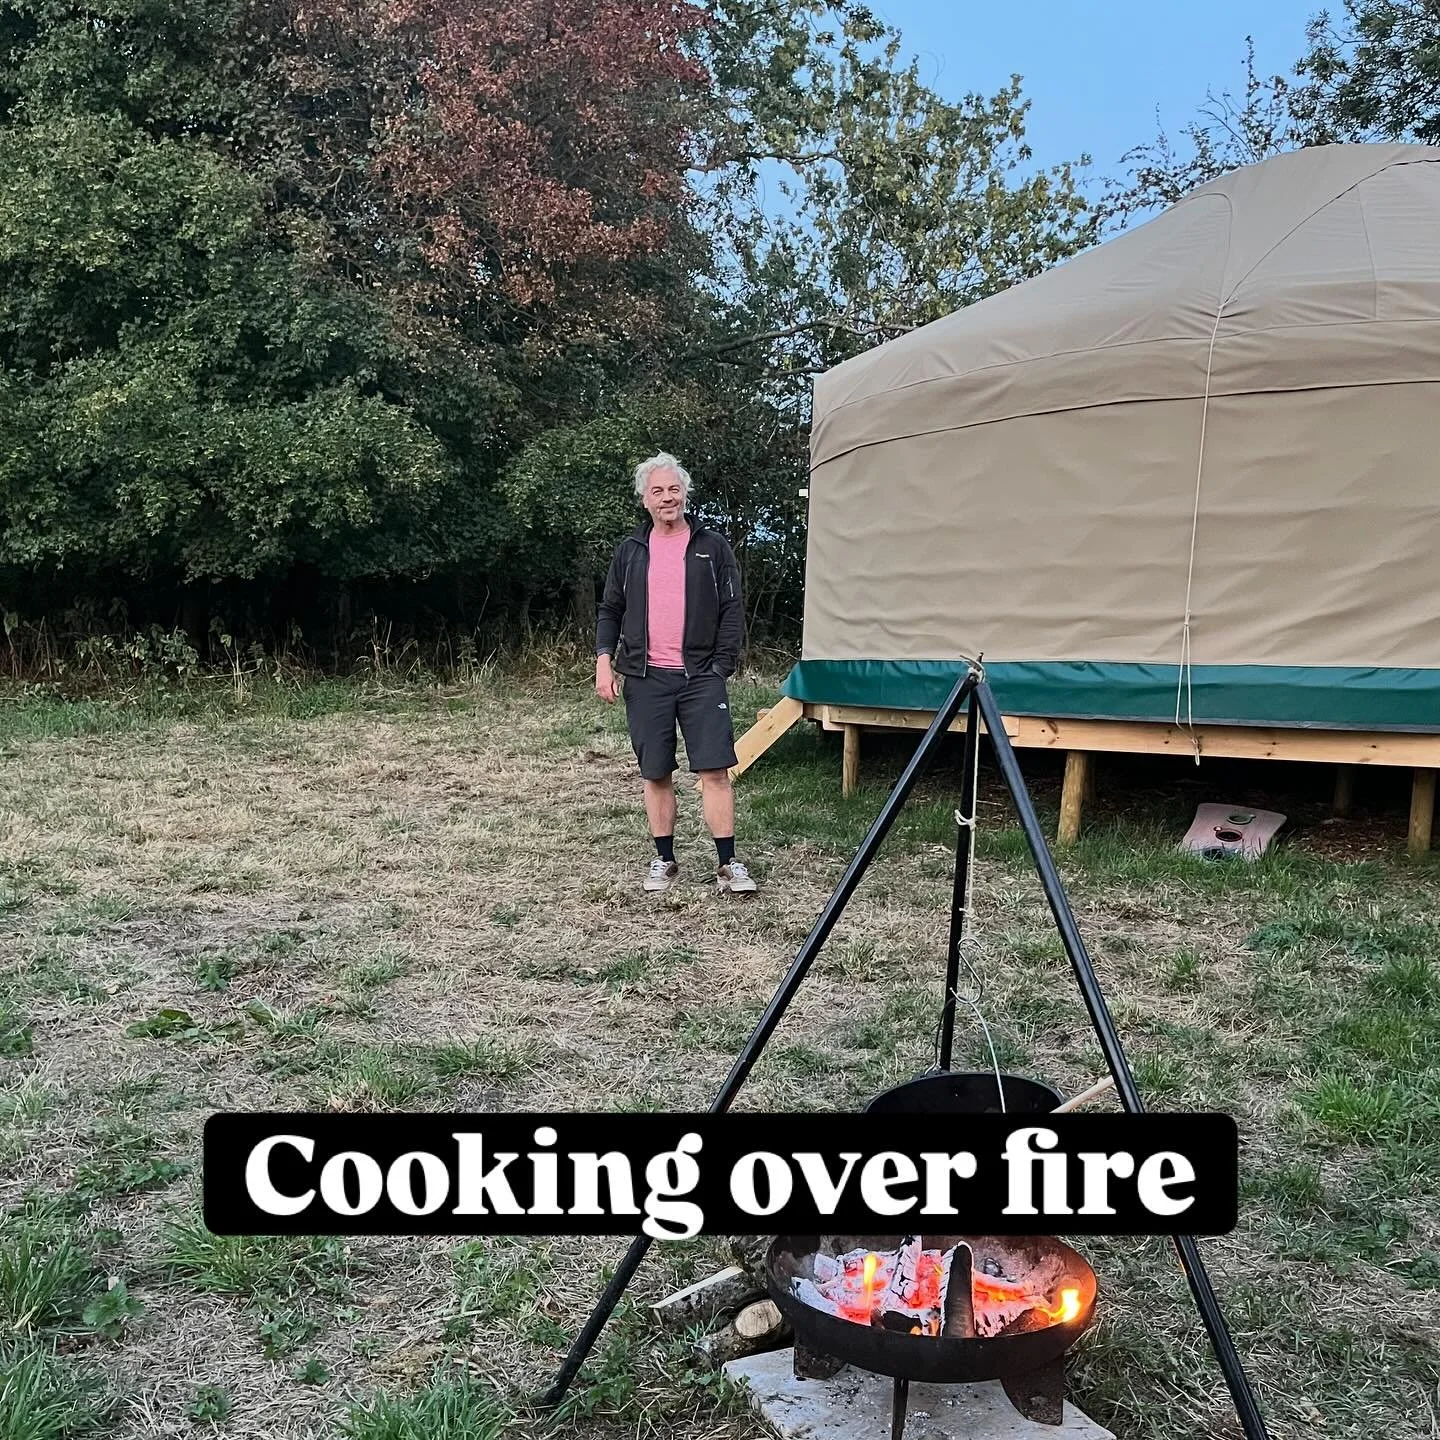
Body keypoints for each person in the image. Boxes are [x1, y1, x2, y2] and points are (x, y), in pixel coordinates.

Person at [595, 453, 758, 894]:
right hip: (646, 677)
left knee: (715, 771)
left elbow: (732, 608)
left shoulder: (711, 547)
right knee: (656, 772)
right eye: (657, 491)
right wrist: (604, 659)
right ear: (644, 500)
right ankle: (664, 860)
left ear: (685, 494)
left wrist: (721, 665)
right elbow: (610, 608)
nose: (667, 498)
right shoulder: (631, 551)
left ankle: (728, 865)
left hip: (701, 676)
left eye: (674, 489)